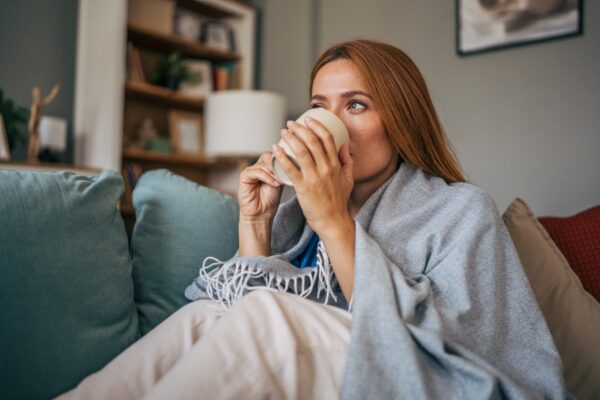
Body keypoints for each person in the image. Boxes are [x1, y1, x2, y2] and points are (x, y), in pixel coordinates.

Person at [59, 40, 568, 399]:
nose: (330, 124)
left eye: (357, 105)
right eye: (320, 107)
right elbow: (228, 315)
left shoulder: (460, 209)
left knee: (268, 313)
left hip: (409, 373)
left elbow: (457, 347)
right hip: (308, 369)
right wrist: (255, 226)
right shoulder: (293, 213)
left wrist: (334, 221)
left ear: (401, 123)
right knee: (203, 315)